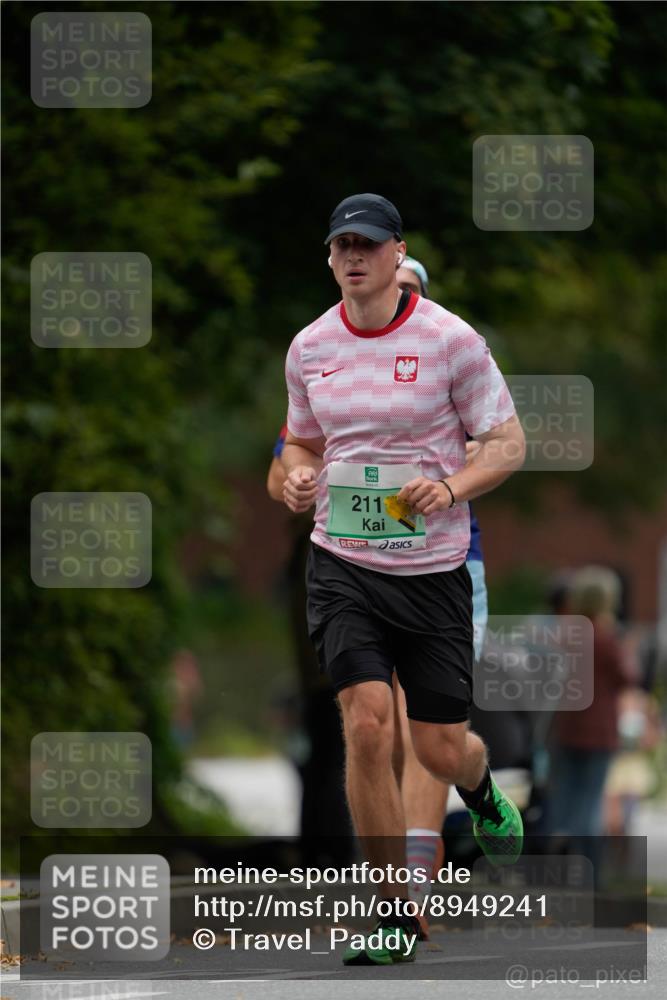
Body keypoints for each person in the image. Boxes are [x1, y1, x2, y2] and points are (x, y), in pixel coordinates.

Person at [280, 193, 526, 966]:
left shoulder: (452, 342)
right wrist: (291, 477)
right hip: (343, 565)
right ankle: (393, 911)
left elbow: (508, 442)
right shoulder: (309, 348)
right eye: (341, 245)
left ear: (397, 253)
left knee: (439, 747)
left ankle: (480, 788)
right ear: (329, 257)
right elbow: (296, 447)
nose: (353, 255)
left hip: (433, 572)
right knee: (364, 721)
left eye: (368, 244)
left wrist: (449, 487)